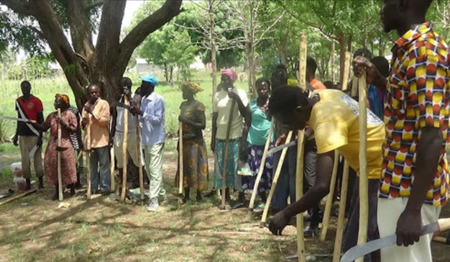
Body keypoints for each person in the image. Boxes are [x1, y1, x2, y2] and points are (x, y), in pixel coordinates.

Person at [353, 1, 449, 261]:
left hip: (407, 192)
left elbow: (433, 134)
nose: (381, 9)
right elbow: (408, 107)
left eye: (386, 2)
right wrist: (380, 80)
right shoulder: (408, 50)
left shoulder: (424, 52)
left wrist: (412, 211)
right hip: (398, 185)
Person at [267, 86, 385, 261]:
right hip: (376, 166)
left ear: (299, 111)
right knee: (371, 237)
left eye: (287, 122)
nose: (288, 127)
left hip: (379, 171)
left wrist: (286, 213)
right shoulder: (324, 95)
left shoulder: (325, 122)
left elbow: (322, 186)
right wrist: (308, 133)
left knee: (356, 248)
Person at [211, 68, 250, 206]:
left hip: (235, 134)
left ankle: (240, 195)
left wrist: (236, 98)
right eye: (222, 78)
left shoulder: (240, 93)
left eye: (227, 78)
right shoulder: (217, 96)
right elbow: (214, 118)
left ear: (233, 80)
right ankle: (225, 194)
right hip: (221, 135)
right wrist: (212, 138)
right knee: (222, 167)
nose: (224, 81)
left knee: (236, 167)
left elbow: (246, 113)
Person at [32, 94, 78, 200]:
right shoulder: (52, 116)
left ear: (64, 103)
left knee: (68, 165)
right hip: (53, 143)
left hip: (65, 142)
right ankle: (57, 190)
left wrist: (64, 124)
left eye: (57, 101)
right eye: (55, 101)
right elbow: (44, 127)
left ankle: (71, 188)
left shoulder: (69, 114)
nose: (55, 103)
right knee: (53, 165)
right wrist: (34, 124)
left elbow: (74, 129)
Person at [131, 74, 166, 212]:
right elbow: (142, 118)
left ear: (150, 86)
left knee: (155, 169)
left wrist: (142, 113)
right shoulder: (144, 100)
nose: (141, 87)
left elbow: (157, 119)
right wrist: (136, 112)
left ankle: (154, 200)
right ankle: (161, 194)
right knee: (149, 170)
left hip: (156, 139)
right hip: (146, 138)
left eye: (144, 84)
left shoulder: (158, 100)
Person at [241, 78, 273, 211]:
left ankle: (273, 199)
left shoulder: (273, 103)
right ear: (256, 89)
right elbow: (247, 123)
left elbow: (273, 119)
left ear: (269, 88)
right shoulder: (251, 105)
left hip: (270, 142)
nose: (262, 90)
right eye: (259, 88)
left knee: (270, 171)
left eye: (264, 87)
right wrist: (243, 143)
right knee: (257, 171)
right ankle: (263, 200)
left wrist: (269, 109)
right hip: (254, 143)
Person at [176, 81, 208, 203]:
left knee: (196, 166)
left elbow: (202, 125)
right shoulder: (183, 105)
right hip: (184, 140)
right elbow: (181, 125)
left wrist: (186, 120)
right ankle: (186, 194)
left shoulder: (198, 106)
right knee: (185, 167)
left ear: (190, 92)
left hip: (195, 141)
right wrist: (179, 141)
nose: (182, 93)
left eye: (184, 91)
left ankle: (199, 194)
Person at [110, 77, 144, 191]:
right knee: (120, 160)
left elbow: (136, 110)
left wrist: (129, 97)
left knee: (137, 159)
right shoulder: (118, 100)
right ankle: (122, 183)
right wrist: (112, 134)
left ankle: (139, 183)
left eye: (125, 87)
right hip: (119, 134)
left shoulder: (136, 98)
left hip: (133, 133)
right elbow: (114, 117)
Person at [13, 80, 45, 190]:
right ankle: (28, 183)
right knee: (25, 160)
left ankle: (40, 182)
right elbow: (19, 119)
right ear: (21, 88)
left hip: (35, 134)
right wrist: (16, 135)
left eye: (27, 87)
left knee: (37, 159)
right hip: (23, 135)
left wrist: (41, 136)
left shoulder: (36, 101)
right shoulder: (18, 101)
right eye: (23, 87)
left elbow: (41, 119)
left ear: (30, 87)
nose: (25, 89)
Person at [81, 83, 111, 195]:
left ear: (99, 93)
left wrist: (92, 112)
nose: (94, 94)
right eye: (91, 93)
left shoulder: (104, 104)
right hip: (90, 141)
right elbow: (83, 123)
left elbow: (104, 121)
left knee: (104, 165)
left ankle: (105, 187)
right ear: (88, 94)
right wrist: (83, 123)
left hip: (101, 140)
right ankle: (93, 187)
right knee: (92, 166)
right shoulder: (86, 105)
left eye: (96, 92)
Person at [66, 96, 83, 189]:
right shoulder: (59, 112)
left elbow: (78, 128)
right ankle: (69, 181)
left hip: (74, 139)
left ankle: (78, 181)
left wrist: (80, 140)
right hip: (64, 139)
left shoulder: (74, 111)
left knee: (75, 161)